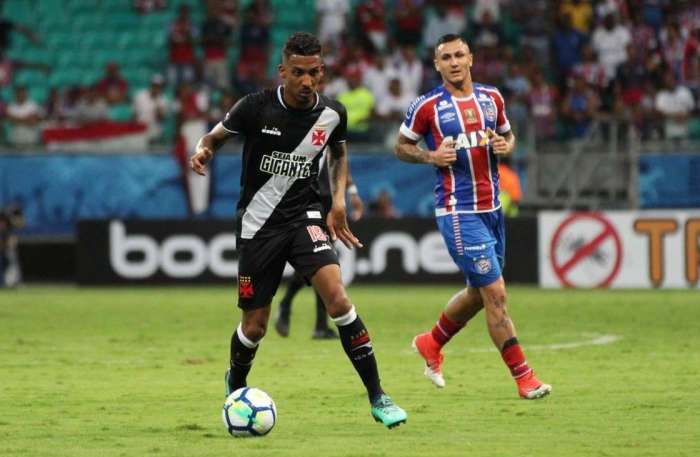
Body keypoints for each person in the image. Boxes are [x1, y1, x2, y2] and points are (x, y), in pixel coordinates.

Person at [190, 32, 406, 428]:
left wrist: (338, 200)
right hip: (258, 225)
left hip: (305, 216)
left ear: (322, 72)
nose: (307, 82)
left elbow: (339, 152)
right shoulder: (254, 108)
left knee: (338, 300)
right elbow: (214, 136)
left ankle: (379, 395)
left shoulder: (332, 114)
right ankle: (235, 384)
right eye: (298, 73)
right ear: (283, 72)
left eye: (314, 73)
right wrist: (203, 150)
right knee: (254, 327)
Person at [393, 34, 551, 400]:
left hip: (492, 209)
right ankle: (525, 379)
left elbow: (509, 138)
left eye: (458, 55)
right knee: (496, 294)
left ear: (471, 59)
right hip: (458, 210)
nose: (453, 61)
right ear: (437, 65)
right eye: (445, 57)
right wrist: (431, 157)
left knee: (479, 294)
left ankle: (430, 342)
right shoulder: (427, 106)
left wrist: (504, 146)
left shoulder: (492, 98)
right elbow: (401, 147)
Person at [274, 162, 364, 340]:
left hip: (328, 203)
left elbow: (340, 160)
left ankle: (317, 323)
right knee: (320, 261)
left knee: (321, 261)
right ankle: (294, 310)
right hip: (308, 201)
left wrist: (352, 191)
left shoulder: (331, 137)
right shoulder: (309, 136)